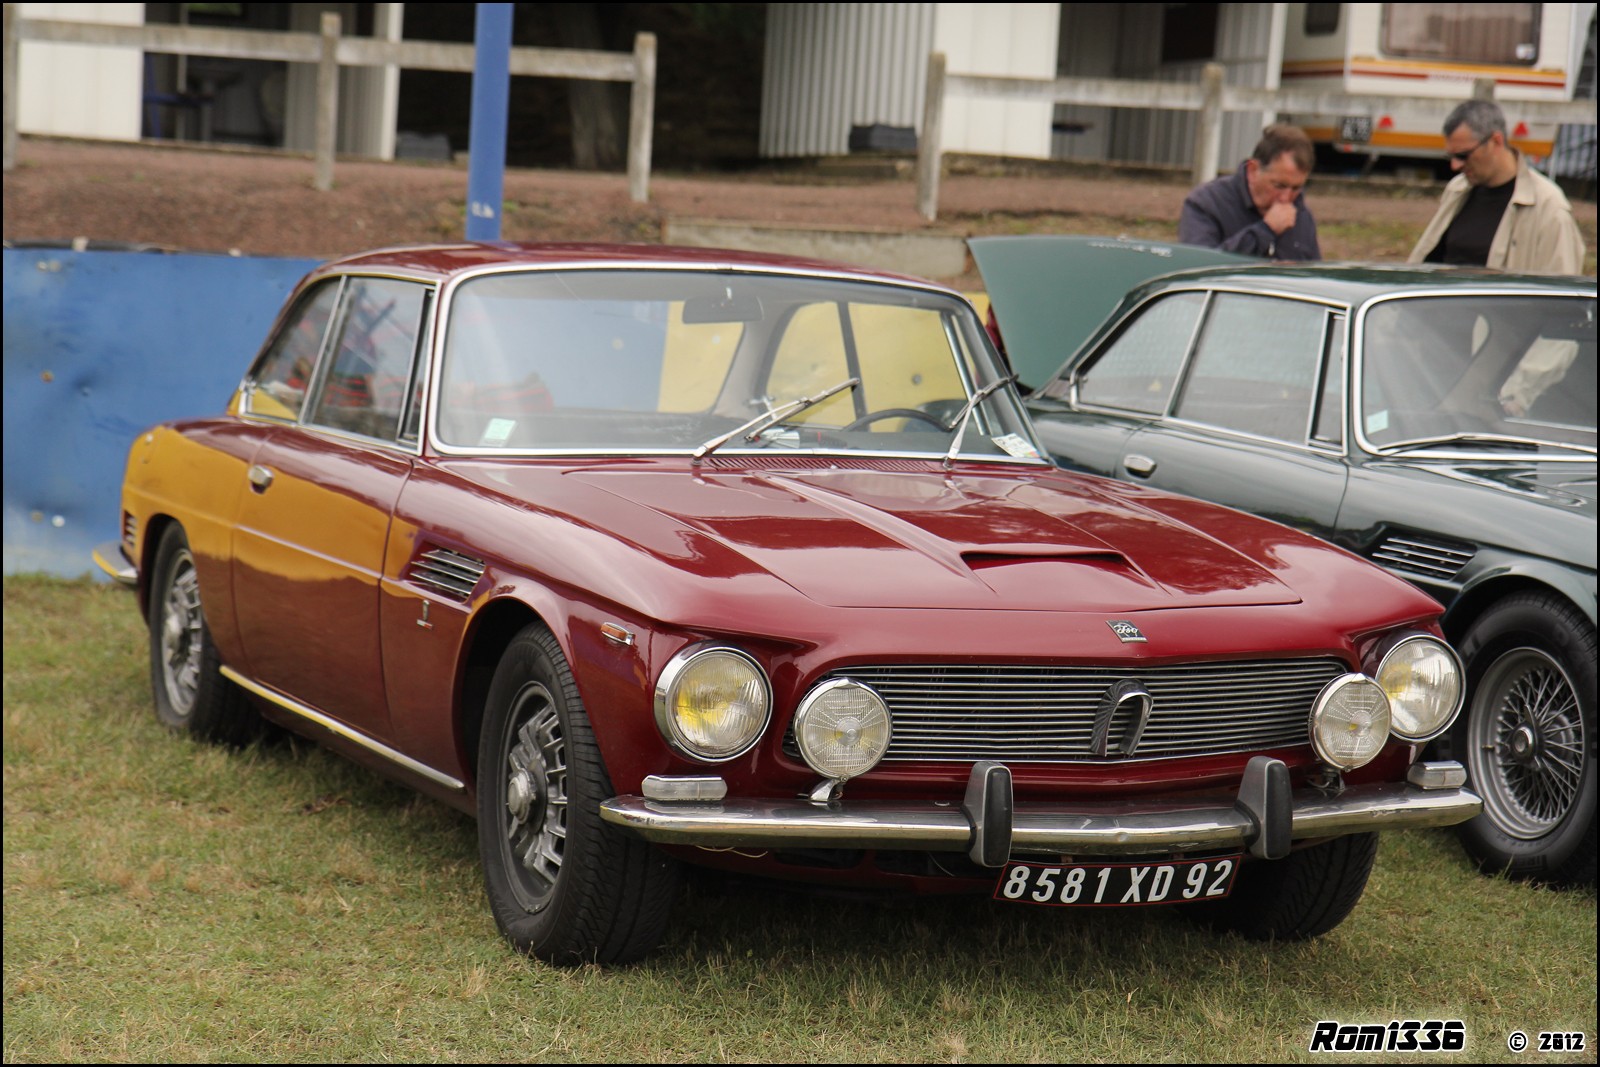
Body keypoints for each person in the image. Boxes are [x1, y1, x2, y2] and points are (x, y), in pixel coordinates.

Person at [1408, 98, 1586, 275]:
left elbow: (1562, 290)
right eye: (1451, 157)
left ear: (1496, 141)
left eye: (1463, 155)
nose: (1455, 166)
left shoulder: (1549, 207)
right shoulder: (1457, 189)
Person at [1178, 125, 1321, 260]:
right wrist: (1265, 231)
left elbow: (1313, 277)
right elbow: (1198, 267)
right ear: (1253, 171)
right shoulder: (1206, 204)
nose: (1286, 198)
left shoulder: (1301, 214)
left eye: (1296, 188)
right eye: (1279, 186)